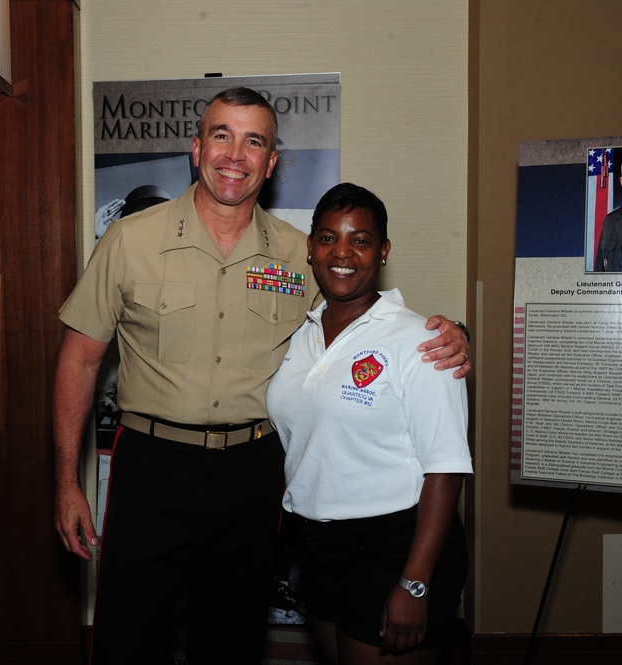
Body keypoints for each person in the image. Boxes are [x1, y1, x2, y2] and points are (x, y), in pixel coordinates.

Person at [53, 87, 472, 665]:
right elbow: (78, 357)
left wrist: (454, 333)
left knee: (230, 637)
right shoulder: (131, 240)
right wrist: (67, 480)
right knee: (129, 633)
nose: (235, 154)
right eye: (222, 135)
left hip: (252, 473)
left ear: (271, 162)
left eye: (255, 141)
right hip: (151, 464)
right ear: (196, 150)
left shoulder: (302, 254)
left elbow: (366, 316)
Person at [267, 183, 472, 665]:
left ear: (383, 252)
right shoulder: (299, 333)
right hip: (315, 546)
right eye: (327, 238)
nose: (342, 253)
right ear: (311, 247)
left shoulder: (421, 341)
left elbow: (445, 468)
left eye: (360, 240)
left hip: (395, 547)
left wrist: (414, 583)